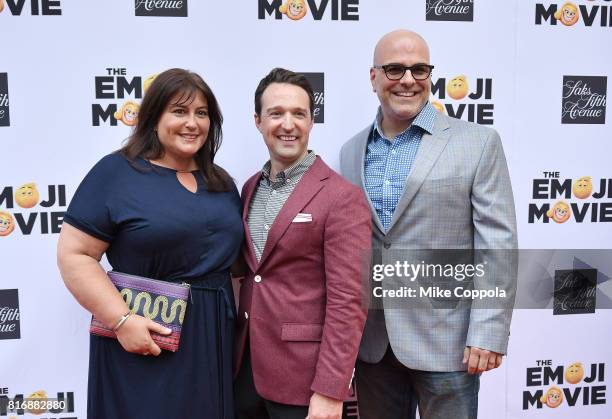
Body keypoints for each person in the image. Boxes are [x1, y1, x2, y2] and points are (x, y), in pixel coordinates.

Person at [340, 30, 518, 419]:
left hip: (448, 344)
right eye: (394, 69)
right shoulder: (351, 150)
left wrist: (487, 330)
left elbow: (497, 244)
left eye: (419, 69)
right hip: (372, 346)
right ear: (373, 78)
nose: (408, 79)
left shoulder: (478, 142)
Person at [57, 68, 243, 419]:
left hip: (211, 336)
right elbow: (75, 255)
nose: (192, 123)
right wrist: (122, 321)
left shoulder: (220, 183)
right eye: (179, 111)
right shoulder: (115, 173)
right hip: (145, 335)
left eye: (201, 113)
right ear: (153, 117)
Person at [233, 68, 372, 419]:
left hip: (304, 381)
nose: (288, 124)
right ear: (257, 121)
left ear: (312, 121)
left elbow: (349, 301)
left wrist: (330, 389)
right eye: (276, 113)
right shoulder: (250, 188)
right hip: (245, 372)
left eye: (299, 114)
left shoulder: (342, 197)